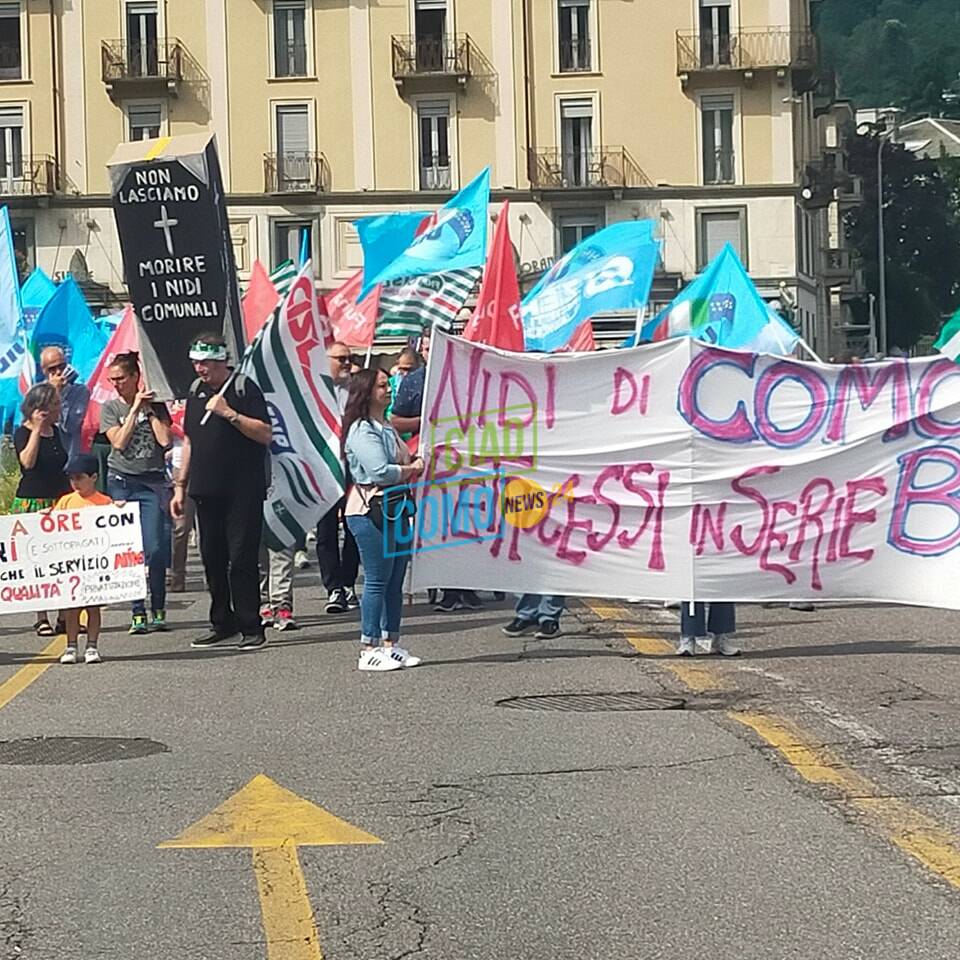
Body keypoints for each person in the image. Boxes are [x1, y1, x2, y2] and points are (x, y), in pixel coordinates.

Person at [170, 334, 272, 652]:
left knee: (241, 558)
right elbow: (189, 441)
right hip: (205, 488)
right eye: (196, 363)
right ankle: (221, 621)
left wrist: (230, 413)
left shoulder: (243, 388)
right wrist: (180, 486)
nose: (200, 369)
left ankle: (250, 624)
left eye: (205, 364)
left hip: (242, 488)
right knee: (212, 558)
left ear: (220, 361)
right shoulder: (196, 391)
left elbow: (265, 433)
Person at [343, 367, 424, 671]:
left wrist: (412, 463)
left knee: (395, 580)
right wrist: (411, 469)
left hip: (397, 505)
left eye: (388, 384)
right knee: (377, 579)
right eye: (381, 386)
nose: (388, 390)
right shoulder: (361, 429)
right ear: (367, 392)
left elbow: (402, 459)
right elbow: (379, 470)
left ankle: (392, 642)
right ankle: (368, 646)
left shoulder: (385, 425)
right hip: (370, 509)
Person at [100, 351, 173, 634]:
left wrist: (150, 409)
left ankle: (158, 606)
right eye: (112, 380)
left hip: (151, 481)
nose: (116, 384)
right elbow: (118, 442)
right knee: (130, 549)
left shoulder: (156, 404)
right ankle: (137, 609)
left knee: (154, 548)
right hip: (122, 480)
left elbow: (165, 439)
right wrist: (132, 411)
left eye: (120, 378)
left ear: (134, 378)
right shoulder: (111, 409)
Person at [12, 383, 71, 636]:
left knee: (61, 560)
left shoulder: (57, 432)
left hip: (59, 500)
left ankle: (63, 615)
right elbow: (27, 462)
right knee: (38, 561)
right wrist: (36, 428)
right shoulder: (22, 432)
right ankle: (41, 616)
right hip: (34, 500)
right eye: (54, 405)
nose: (58, 409)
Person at [54, 454, 114, 664]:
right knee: (72, 608)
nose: (75, 482)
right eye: (72, 478)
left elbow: (115, 530)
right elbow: (52, 527)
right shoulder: (65, 501)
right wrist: (45, 518)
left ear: (94, 477)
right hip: (72, 564)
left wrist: (121, 511)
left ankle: (92, 645)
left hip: (95, 564)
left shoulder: (104, 502)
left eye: (80, 477)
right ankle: (70, 645)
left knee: (93, 607)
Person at [316, 341, 360, 614]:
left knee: (355, 526)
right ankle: (333, 588)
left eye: (349, 358)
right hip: (324, 467)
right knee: (326, 531)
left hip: (353, 466)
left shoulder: (357, 390)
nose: (346, 363)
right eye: (341, 358)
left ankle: (348, 582)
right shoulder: (314, 391)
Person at [40, 346, 90, 463]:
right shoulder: (37, 393)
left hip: (68, 457)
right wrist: (51, 392)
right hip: (44, 457)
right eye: (52, 369)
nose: (58, 372)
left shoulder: (81, 391)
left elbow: (69, 426)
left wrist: (58, 394)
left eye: (61, 366)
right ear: (44, 371)